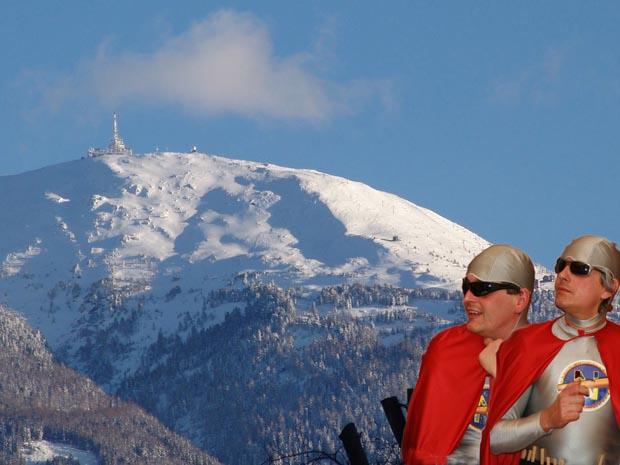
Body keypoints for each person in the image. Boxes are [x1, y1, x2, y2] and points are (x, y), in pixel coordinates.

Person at [482, 235, 620, 465]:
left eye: (579, 269)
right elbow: (495, 438)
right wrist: (546, 419)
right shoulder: (527, 344)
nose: (562, 275)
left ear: (609, 287)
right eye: (560, 266)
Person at [401, 244, 535, 465]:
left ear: (520, 299)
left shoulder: (550, 353)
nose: (468, 298)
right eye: (466, 288)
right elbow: (423, 444)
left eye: (483, 288)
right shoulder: (446, 349)